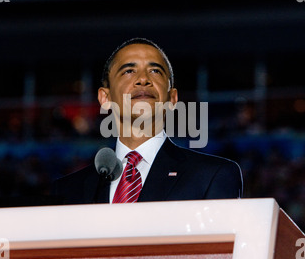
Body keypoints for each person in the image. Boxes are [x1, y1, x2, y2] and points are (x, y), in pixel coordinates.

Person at [53, 38, 243, 204]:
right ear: (105, 98)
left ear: (172, 99)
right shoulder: (67, 191)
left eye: (155, 71)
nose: (143, 79)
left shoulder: (212, 176)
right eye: (128, 71)